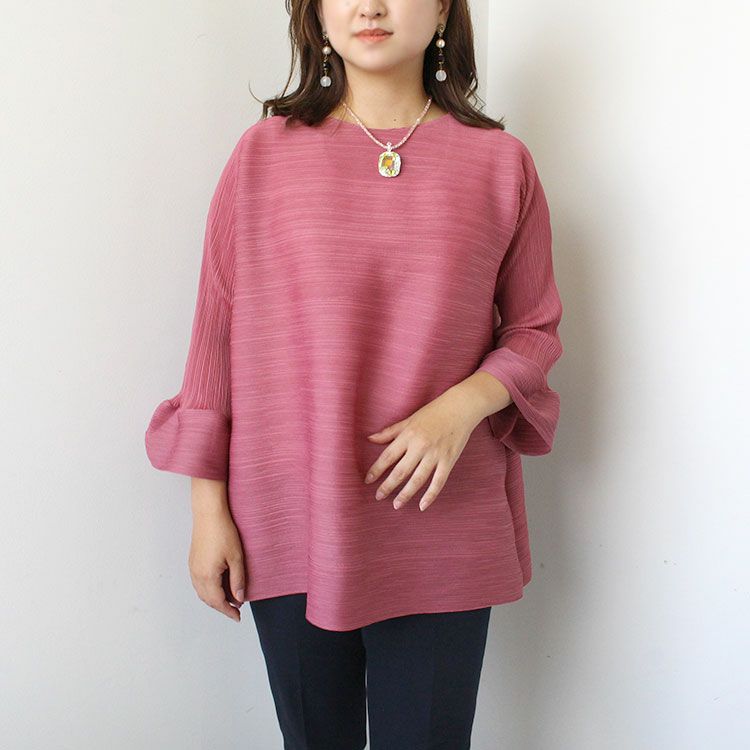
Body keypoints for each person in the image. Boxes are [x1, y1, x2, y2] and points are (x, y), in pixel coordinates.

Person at [144, 1, 564, 747]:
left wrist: (460, 408)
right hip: (291, 511)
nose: (368, 6)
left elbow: (533, 330)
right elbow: (215, 338)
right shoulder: (262, 156)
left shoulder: (501, 163)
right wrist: (209, 512)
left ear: (443, 9)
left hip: (442, 512)